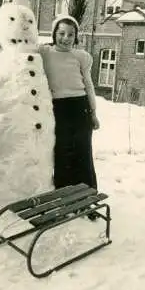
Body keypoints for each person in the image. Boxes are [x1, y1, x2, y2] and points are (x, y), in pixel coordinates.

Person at [39, 14, 100, 197]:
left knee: (83, 153)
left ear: (76, 37)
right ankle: (64, 197)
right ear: (54, 34)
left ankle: (86, 196)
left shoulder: (80, 56)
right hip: (57, 109)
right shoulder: (45, 53)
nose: (66, 38)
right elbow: (21, 47)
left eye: (70, 34)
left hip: (80, 107)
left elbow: (88, 85)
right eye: (62, 33)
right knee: (62, 152)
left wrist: (93, 113)